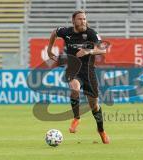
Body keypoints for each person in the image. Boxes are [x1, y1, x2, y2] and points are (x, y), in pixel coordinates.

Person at [47, 10, 110, 144]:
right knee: (74, 88)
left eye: (84, 19)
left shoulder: (91, 33)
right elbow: (54, 32)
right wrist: (49, 49)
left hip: (88, 71)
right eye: (80, 19)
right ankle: (77, 118)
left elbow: (103, 49)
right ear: (73, 21)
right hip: (73, 68)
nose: (83, 21)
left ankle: (101, 131)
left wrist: (89, 50)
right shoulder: (66, 32)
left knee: (94, 105)